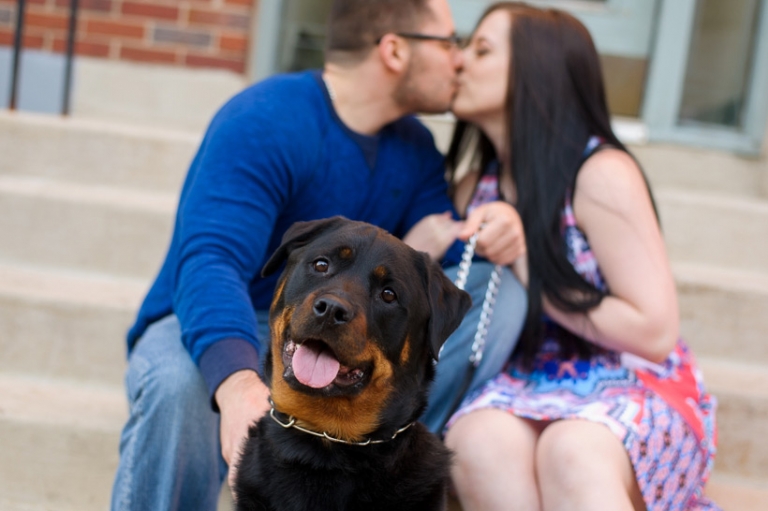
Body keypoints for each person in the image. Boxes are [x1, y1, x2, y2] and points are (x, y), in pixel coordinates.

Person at [110, 1, 527, 510]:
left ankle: (382, 458)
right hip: (222, 315)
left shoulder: (414, 147)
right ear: (395, 50)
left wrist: (496, 227)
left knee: (500, 293)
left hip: (350, 333)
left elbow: (439, 275)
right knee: (178, 387)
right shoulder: (265, 118)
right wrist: (239, 382)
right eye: (449, 43)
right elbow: (208, 262)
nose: (458, 60)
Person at [440, 4, 720, 511]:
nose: (459, 62)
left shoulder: (599, 175)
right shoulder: (471, 189)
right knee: (477, 443)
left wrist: (525, 258)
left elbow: (653, 331)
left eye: (481, 50)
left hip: (630, 374)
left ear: (535, 71)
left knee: (573, 451)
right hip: (524, 376)